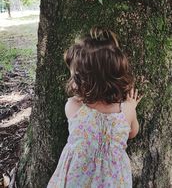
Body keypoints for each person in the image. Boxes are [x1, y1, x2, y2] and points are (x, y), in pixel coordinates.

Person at [47, 27, 142, 188]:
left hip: (77, 177)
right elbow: (132, 133)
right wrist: (131, 105)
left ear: (85, 81)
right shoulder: (126, 111)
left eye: (75, 75)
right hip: (112, 179)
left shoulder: (73, 107)